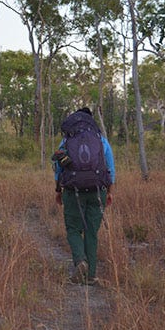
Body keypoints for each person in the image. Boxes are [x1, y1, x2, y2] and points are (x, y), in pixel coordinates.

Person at [52, 107, 115, 285]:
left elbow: (59, 168)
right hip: (97, 191)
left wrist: (58, 191)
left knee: (73, 229)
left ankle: (80, 261)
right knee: (91, 233)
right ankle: (92, 276)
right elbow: (110, 168)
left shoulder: (66, 141)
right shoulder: (101, 140)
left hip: (73, 192)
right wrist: (109, 192)